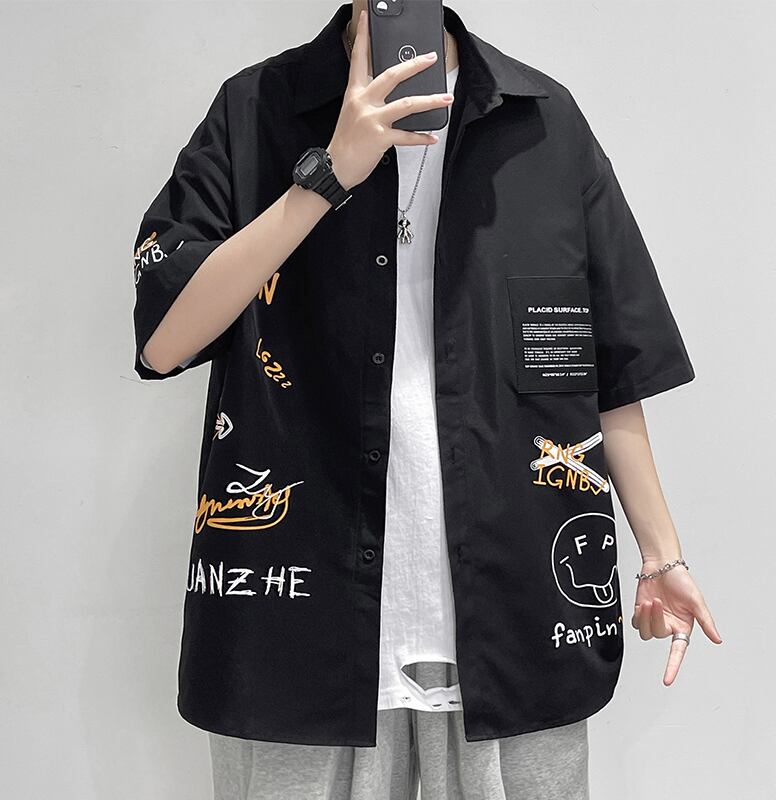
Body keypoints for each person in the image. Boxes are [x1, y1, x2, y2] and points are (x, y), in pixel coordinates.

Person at [131, 2, 723, 798]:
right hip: (296, 627)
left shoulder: (542, 122)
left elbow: (605, 369)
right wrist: (330, 173)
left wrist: (662, 555)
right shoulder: (255, 109)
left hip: (513, 620)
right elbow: (164, 340)